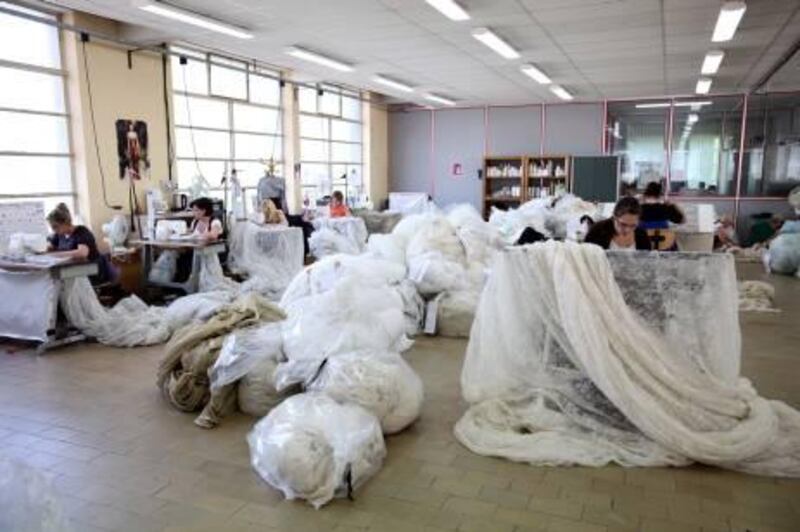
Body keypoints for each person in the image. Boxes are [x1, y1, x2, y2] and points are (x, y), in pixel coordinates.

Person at [46, 203, 117, 284]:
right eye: (52, 227)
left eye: (55, 227)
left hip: (90, 271)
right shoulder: (59, 235)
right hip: (73, 271)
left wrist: (57, 255)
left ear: (65, 222)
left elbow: (82, 253)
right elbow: (49, 248)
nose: (54, 230)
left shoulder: (82, 232)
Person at [584, 197, 651, 251]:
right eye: (623, 224)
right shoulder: (597, 232)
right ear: (614, 217)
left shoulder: (642, 236)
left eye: (633, 225)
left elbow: (647, 263)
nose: (627, 230)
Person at [639, 181, 684, 250]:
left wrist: (638, 202)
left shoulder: (638, 208)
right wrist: (672, 205)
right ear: (660, 195)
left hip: (643, 247)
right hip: (665, 247)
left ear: (645, 194)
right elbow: (682, 220)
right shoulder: (665, 207)